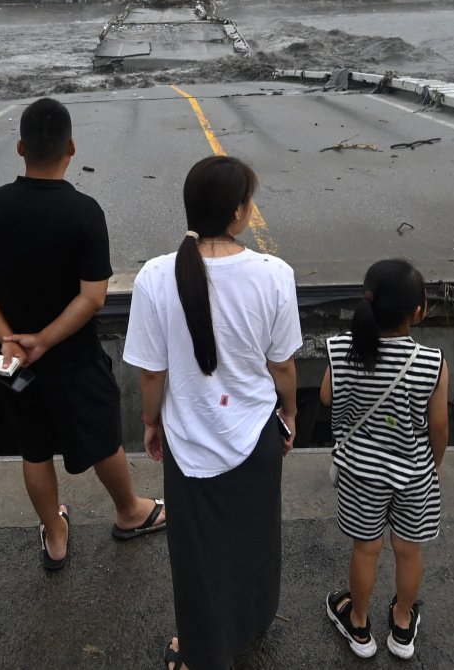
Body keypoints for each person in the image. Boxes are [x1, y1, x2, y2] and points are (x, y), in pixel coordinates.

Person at [0, 96, 166, 571]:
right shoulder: (84, 212)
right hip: (72, 356)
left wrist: (10, 337)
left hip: (13, 362)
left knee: (34, 450)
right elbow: (92, 297)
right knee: (101, 439)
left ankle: (55, 535)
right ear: (71, 147)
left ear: (20, 148)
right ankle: (131, 512)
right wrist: (46, 340)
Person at [124, 155, 303, 670]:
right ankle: (247, 624)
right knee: (255, 539)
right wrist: (288, 415)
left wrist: (151, 422)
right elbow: (283, 366)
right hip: (255, 438)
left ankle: (202, 651)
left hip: (189, 441)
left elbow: (152, 374)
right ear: (240, 213)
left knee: (197, 557)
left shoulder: (155, 277)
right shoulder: (274, 274)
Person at [320, 258, 448, 661]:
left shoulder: (342, 348)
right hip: (414, 475)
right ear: (417, 312)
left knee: (366, 548)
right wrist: (434, 465)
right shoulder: (431, 363)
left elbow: (326, 397)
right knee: (408, 551)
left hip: (360, 474)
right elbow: (439, 427)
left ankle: (359, 625)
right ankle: (403, 624)